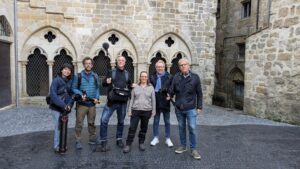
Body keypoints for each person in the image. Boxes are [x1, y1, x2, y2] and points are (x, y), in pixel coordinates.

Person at [168, 58, 203, 160]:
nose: (183, 66)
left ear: (189, 65)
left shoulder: (195, 77)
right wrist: (169, 94)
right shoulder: (176, 77)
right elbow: (172, 90)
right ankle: (183, 146)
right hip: (179, 108)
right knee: (181, 127)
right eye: (181, 65)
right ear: (179, 67)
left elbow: (199, 93)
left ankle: (193, 149)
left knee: (192, 128)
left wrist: (199, 107)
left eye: (185, 64)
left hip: (191, 108)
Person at [98, 55, 133, 152]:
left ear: (125, 62)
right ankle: (104, 141)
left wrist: (132, 85)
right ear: (117, 62)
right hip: (111, 102)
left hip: (122, 102)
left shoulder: (127, 74)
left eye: (123, 60)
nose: (121, 62)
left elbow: (129, 85)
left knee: (121, 122)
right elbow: (104, 84)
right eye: (119, 60)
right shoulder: (111, 72)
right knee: (104, 120)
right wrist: (106, 81)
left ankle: (119, 139)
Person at [123, 71, 156, 153]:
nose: (144, 78)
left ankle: (141, 143)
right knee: (132, 128)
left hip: (146, 111)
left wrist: (154, 111)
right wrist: (129, 110)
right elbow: (131, 100)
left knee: (143, 128)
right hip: (135, 110)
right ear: (140, 77)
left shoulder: (151, 88)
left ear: (147, 78)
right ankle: (128, 144)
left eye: (145, 76)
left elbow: (153, 100)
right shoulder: (135, 87)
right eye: (142, 76)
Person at [72, 57, 100, 149]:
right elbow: (74, 88)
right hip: (82, 104)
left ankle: (92, 139)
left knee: (91, 122)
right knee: (79, 123)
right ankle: (77, 140)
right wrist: (80, 94)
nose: (88, 65)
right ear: (84, 65)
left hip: (92, 104)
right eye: (86, 63)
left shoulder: (95, 76)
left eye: (90, 63)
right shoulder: (78, 76)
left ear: (92, 65)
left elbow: (97, 88)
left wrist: (97, 97)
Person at [49, 63, 74, 154]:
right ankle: (56, 146)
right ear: (61, 70)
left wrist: (70, 105)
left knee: (64, 126)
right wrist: (63, 105)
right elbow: (53, 95)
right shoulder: (56, 80)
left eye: (69, 70)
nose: (67, 71)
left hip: (65, 108)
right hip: (56, 107)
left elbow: (71, 94)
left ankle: (62, 144)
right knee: (58, 127)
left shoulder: (69, 81)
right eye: (65, 69)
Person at [150, 60, 173, 147]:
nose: (160, 68)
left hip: (165, 101)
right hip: (156, 101)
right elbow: (149, 88)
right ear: (156, 68)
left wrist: (170, 94)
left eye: (161, 67)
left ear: (164, 67)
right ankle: (156, 137)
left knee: (167, 121)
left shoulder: (170, 76)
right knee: (156, 121)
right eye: (158, 67)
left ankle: (168, 138)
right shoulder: (152, 77)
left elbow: (172, 87)